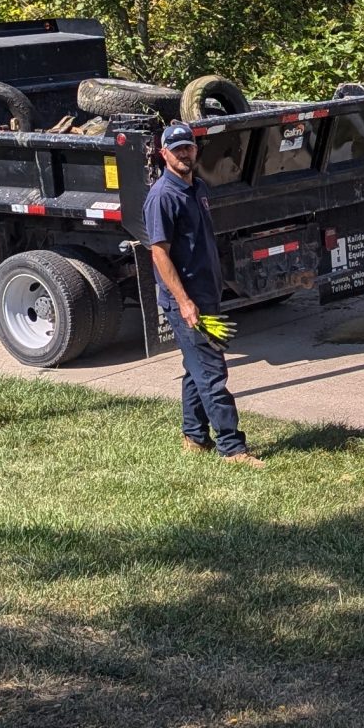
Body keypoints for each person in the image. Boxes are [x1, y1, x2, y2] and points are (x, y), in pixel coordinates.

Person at [145, 119, 264, 467]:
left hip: (207, 296)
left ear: (196, 150)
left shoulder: (197, 187)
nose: (183, 153)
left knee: (196, 367)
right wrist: (184, 302)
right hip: (187, 302)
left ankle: (195, 437)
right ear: (164, 154)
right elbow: (159, 253)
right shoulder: (163, 197)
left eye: (188, 147)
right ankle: (233, 448)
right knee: (212, 373)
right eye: (177, 149)